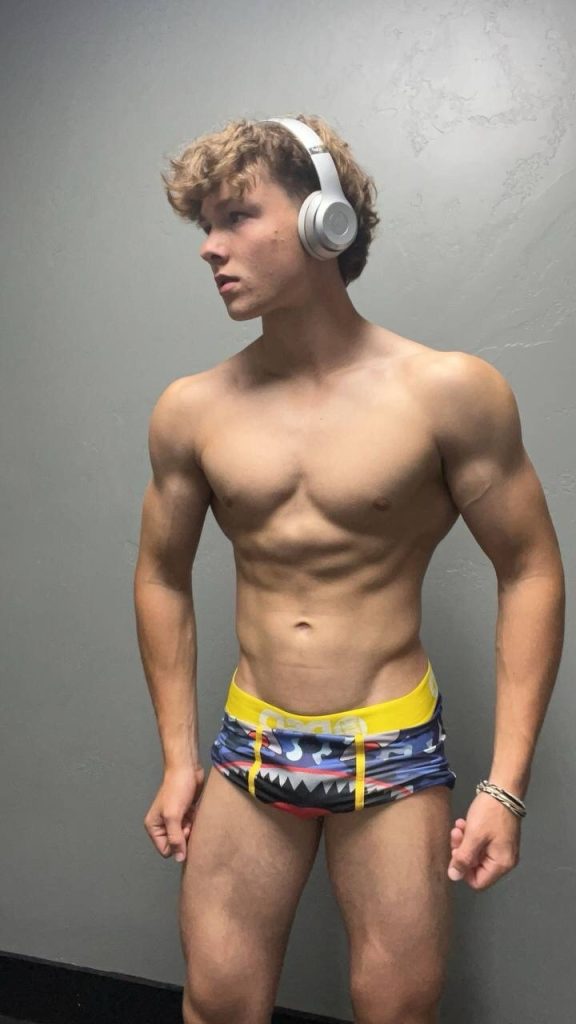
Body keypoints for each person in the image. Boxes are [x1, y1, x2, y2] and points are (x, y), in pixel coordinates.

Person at [133, 114, 565, 1024]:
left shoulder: (447, 393)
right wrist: (177, 759)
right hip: (253, 737)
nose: (210, 247)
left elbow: (530, 569)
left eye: (237, 216)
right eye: (204, 226)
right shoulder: (192, 410)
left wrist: (506, 786)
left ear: (323, 219)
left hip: (391, 742)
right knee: (218, 1000)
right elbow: (162, 577)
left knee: (396, 1008)